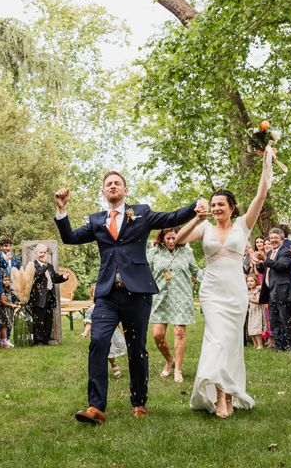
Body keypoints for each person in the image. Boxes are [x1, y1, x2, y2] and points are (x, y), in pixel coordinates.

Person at [54, 171, 200, 425]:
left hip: (137, 293)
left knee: (136, 348)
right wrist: (62, 210)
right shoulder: (97, 220)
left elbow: (172, 217)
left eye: (117, 183)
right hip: (107, 294)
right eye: (108, 184)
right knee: (98, 341)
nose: (112, 186)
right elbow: (70, 238)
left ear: (125, 190)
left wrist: (196, 207)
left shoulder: (141, 213)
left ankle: (139, 402)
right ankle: (95, 407)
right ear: (103, 192)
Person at [176, 154, 271, 418]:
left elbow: (261, 195)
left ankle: (229, 394)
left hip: (236, 293)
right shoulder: (204, 228)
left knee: (230, 344)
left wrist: (267, 164)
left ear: (232, 207)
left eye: (221, 204)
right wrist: (196, 218)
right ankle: (219, 397)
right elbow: (180, 240)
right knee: (216, 341)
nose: (216, 208)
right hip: (212, 292)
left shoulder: (244, 226)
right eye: (214, 204)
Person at [147, 227, 201, 383]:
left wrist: (213, 276)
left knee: (179, 332)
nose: (171, 241)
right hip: (159, 297)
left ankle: (178, 369)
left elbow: (196, 271)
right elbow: (145, 272)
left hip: (181, 297)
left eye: (174, 238)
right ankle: (169, 360)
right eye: (168, 238)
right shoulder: (154, 252)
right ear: (162, 238)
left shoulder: (186, 252)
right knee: (158, 335)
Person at [254, 228, 291, 352]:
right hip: (270, 291)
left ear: (282, 240)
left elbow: (280, 266)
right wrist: (258, 263)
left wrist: (265, 259)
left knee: (285, 319)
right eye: (271, 238)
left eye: (276, 238)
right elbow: (264, 269)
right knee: (274, 321)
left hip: (283, 291)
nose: (273, 240)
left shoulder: (286, 252)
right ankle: (279, 346)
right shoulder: (269, 253)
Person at [25, 244, 69, 346]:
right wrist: (44, 266)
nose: (43, 254)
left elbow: (54, 278)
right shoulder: (32, 265)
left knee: (48, 319)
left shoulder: (50, 266)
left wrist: (63, 277)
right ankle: (38, 341)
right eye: (41, 252)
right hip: (38, 297)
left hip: (50, 295)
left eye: (44, 253)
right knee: (38, 319)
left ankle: (46, 340)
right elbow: (37, 276)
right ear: (36, 254)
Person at [82, 285, 126, 379]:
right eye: (95, 292)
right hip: (99, 333)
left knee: (110, 353)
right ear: (92, 295)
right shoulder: (92, 309)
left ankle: (114, 365)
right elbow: (89, 322)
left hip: (112, 334)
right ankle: (102, 371)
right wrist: (85, 332)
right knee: (101, 351)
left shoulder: (110, 307)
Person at [0, 274, 19, 348]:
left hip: (8, 309)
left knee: (6, 325)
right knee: (4, 324)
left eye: (8, 280)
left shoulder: (9, 289)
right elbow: (2, 301)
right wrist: (12, 305)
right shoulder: (1, 289)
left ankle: (2, 341)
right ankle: (4, 341)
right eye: (4, 280)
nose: (7, 282)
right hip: (3, 308)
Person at [246, 274, 266, 349]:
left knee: (256, 329)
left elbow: (258, 301)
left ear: (256, 281)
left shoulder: (257, 291)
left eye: (251, 281)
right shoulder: (248, 291)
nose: (249, 283)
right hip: (251, 312)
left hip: (257, 311)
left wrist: (249, 299)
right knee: (251, 330)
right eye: (248, 281)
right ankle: (255, 344)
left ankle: (260, 345)